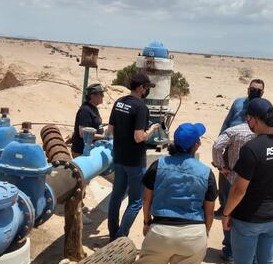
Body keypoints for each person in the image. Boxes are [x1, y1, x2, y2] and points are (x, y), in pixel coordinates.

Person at [221, 98, 273, 264]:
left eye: (248, 119)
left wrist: (226, 213)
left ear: (255, 118)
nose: (248, 123)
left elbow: (238, 190)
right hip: (272, 216)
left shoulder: (252, 148)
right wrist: (271, 198)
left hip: (247, 218)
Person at [136, 123, 218, 264]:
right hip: (194, 234)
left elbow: (147, 199)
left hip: (161, 232)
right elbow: (209, 212)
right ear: (196, 144)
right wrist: (205, 233)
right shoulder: (206, 173)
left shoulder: (158, 165)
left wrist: (146, 222)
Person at [106, 71, 160, 241]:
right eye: (146, 87)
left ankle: (113, 234)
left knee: (116, 195)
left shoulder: (119, 102)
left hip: (119, 157)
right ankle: (121, 237)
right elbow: (138, 137)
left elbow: (109, 131)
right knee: (136, 201)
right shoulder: (141, 107)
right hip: (135, 161)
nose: (147, 91)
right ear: (140, 88)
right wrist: (151, 130)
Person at [216, 79, 265, 217]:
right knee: (225, 176)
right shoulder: (238, 102)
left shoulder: (264, 106)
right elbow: (227, 121)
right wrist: (221, 138)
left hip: (252, 149)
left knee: (246, 179)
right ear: (248, 89)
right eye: (252, 89)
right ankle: (224, 206)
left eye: (258, 90)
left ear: (262, 93)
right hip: (231, 145)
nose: (254, 92)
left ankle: (241, 207)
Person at [212, 123, 255, 262]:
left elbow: (217, 146)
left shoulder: (235, 130)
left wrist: (221, 166)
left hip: (233, 179)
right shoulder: (265, 133)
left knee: (229, 213)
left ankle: (230, 251)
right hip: (255, 182)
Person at [71, 83, 105, 157]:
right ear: (92, 95)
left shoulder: (93, 108)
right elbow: (83, 133)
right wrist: (104, 137)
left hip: (91, 150)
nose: (103, 96)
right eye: (101, 94)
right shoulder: (85, 111)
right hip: (81, 152)